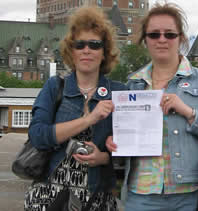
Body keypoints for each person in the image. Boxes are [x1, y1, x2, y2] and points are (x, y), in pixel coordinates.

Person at [106, 2, 198, 211]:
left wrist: (190, 113)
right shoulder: (132, 84)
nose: (162, 39)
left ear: (181, 38)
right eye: (154, 34)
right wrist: (115, 142)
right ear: (145, 40)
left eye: (169, 34)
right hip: (141, 194)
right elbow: (123, 139)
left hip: (190, 194)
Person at [24, 6, 127, 211]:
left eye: (94, 45)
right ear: (71, 51)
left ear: (104, 52)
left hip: (97, 199)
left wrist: (104, 157)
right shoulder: (55, 87)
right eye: (80, 44)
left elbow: (130, 149)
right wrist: (88, 119)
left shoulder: (119, 92)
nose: (86, 50)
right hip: (50, 198)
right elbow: (38, 135)